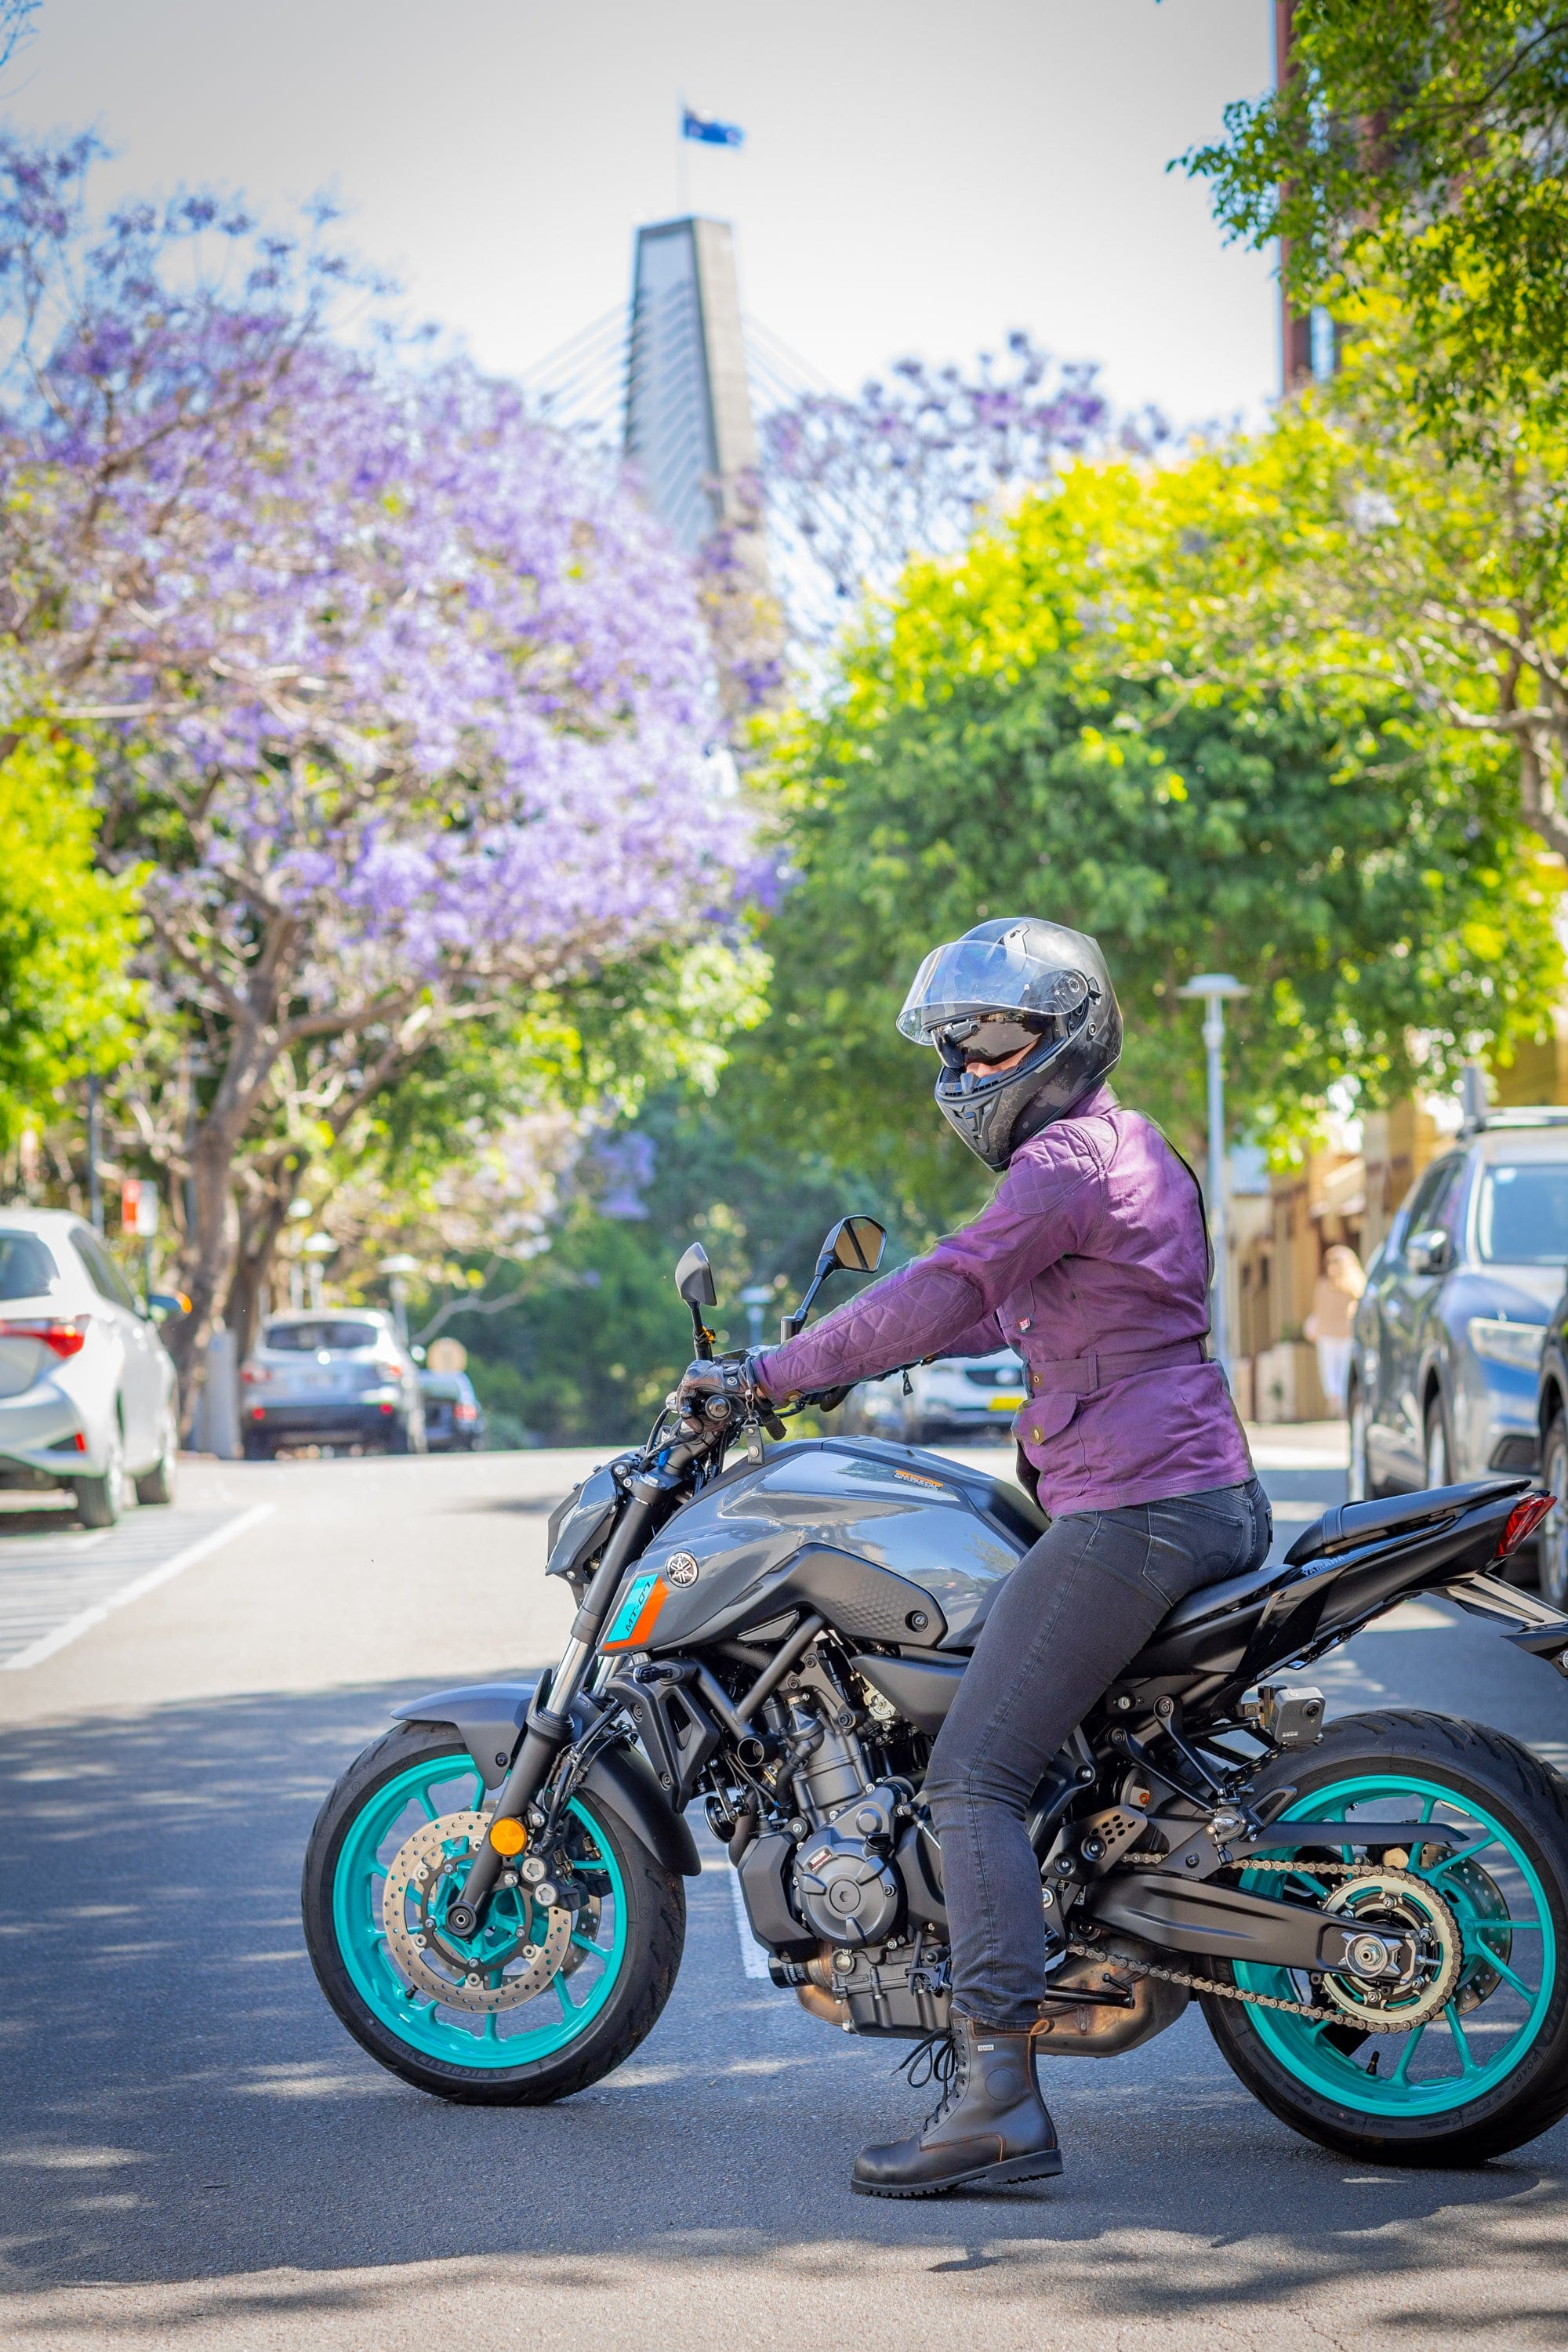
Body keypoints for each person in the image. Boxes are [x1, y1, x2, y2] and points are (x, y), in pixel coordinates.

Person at [677, 917, 1271, 2198]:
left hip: (1138, 1509)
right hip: (1195, 1493)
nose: (965, 1066)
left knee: (975, 1775)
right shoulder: (1132, 1145)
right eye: (953, 1044)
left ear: (1067, 1035)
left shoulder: (1063, 1161)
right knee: (1011, 1731)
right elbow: (991, 1309)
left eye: (991, 1038)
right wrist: (844, 1361)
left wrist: (768, 1374)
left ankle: (997, 2102)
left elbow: (951, 1286)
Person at [1304, 1243, 1366, 1417]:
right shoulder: (1356, 1284)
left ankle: (1338, 1402)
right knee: (1340, 1371)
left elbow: (1318, 1310)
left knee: (1334, 1372)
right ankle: (1340, 1403)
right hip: (1337, 1334)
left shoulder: (1347, 1285)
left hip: (1337, 1334)